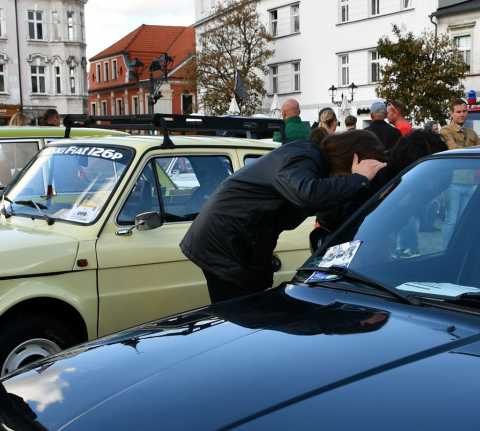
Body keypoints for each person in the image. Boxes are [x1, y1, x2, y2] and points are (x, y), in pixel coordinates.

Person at [181, 128, 387, 302]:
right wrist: (359, 179)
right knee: (242, 314)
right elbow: (306, 194)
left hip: (235, 239)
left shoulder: (312, 161)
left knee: (250, 305)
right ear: (353, 159)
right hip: (225, 240)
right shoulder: (305, 156)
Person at [314, 129, 448, 253]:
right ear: (409, 168)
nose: (432, 185)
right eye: (427, 179)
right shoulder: (377, 177)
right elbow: (354, 227)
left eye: (436, 177)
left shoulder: (439, 177)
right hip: (337, 235)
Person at [439, 98, 480, 242]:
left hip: (469, 182)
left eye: (464, 111)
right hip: (453, 181)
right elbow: (452, 148)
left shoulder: (471, 133)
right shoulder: (446, 130)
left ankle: (456, 251)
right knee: (451, 221)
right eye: (458, 112)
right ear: (451, 113)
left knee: (463, 221)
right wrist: (473, 151)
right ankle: (445, 252)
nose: (462, 114)